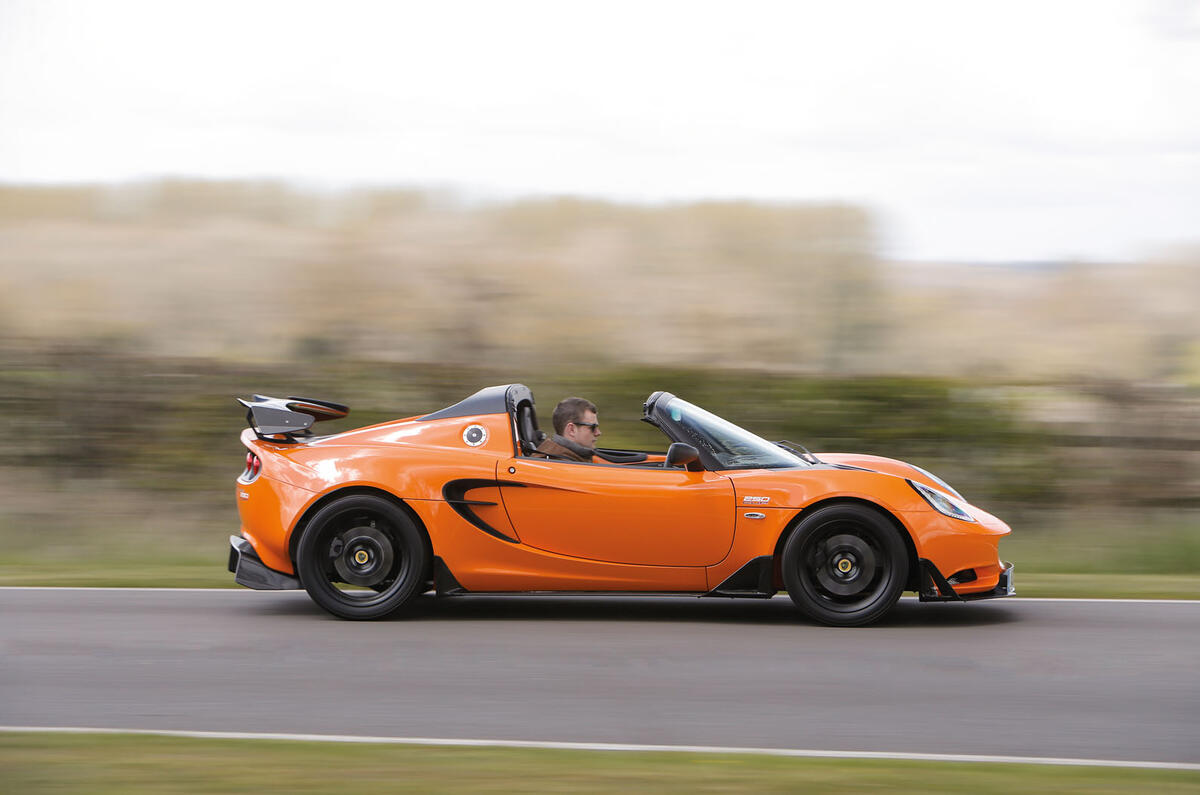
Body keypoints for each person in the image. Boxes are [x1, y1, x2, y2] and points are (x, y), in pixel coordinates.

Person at [533, 397, 601, 462]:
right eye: (593, 427)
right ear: (572, 430)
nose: (598, 433)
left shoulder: (572, 457)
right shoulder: (558, 463)